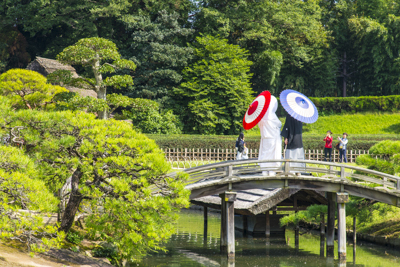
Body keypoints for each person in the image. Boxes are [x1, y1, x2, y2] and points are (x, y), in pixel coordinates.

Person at [258, 96, 282, 176]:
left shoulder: (261, 117)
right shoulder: (273, 116)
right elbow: (279, 124)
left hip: (265, 138)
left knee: (265, 154)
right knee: (272, 155)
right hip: (272, 138)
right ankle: (271, 171)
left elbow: (259, 126)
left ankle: (264, 170)